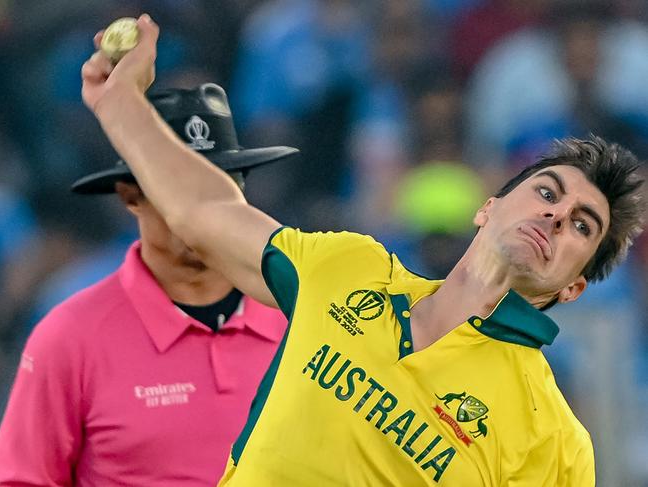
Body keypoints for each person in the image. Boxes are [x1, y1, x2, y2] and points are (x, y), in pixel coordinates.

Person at [80, 16, 645, 486]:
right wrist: (119, 104)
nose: (555, 214)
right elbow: (205, 212)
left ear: (572, 287)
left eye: (582, 226)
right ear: (487, 207)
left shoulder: (555, 440)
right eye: (547, 193)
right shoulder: (350, 267)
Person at [0, 82, 298, 485]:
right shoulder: (70, 336)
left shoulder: (304, 321)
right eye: (178, 187)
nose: (200, 209)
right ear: (130, 195)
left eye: (219, 187)